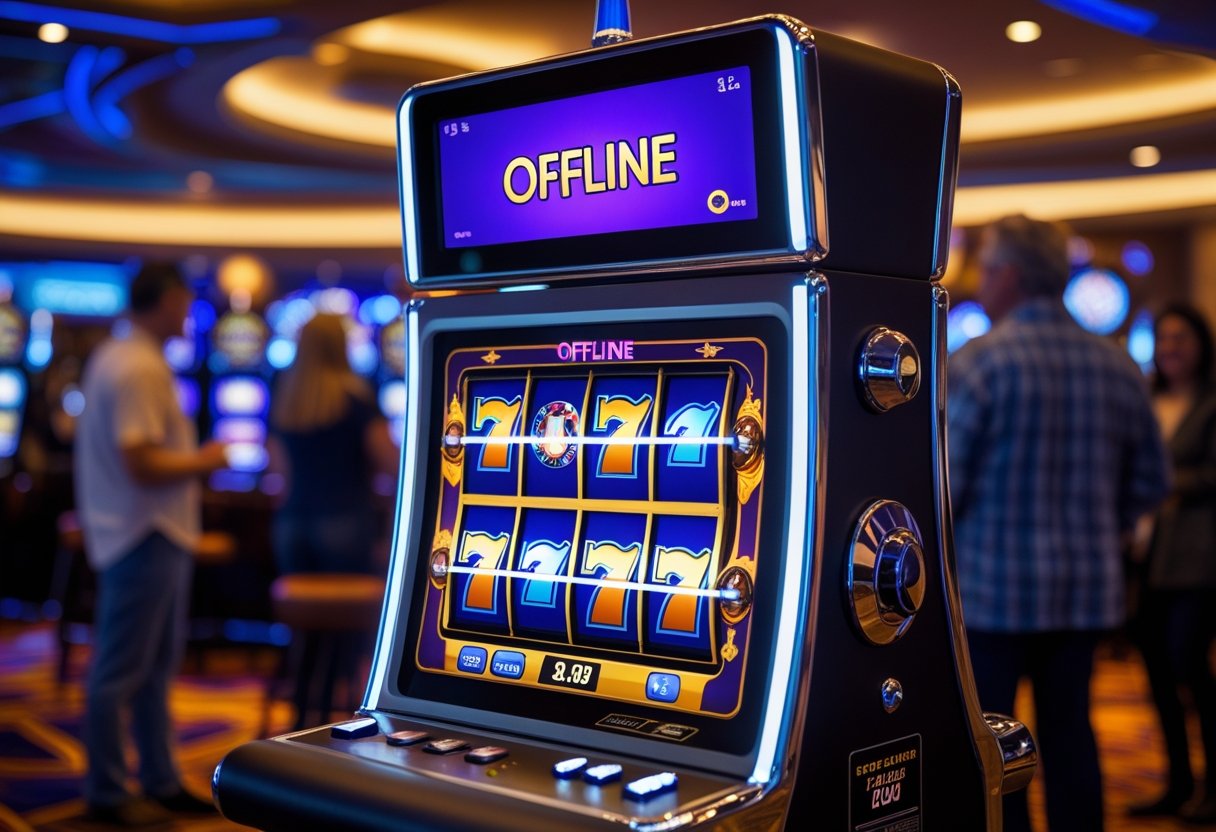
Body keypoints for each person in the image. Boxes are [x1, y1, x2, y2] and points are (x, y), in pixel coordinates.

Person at [947, 215, 1170, 832]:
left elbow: (947, 491)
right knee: (1071, 733)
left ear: (1011, 275)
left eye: (986, 268)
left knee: (995, 745)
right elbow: (1154, 481)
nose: (981, 281)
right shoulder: (1117, 364)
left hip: (993, 594)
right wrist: (1102, 526)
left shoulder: (980, 363)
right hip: (1085, 592)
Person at [75, 262, 228, 826]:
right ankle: (108, 790)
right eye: (185, 299)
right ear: (165, 299)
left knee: (152, 668)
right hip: (144, 531)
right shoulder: (138, 365)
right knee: (120, 671)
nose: (188, 311)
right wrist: (205, 460)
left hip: (140, 530)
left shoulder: (118, 354)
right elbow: (139, 459)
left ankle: (159, 779)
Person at [267, 312, 397, 728]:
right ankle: (330, 719)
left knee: (307, 632)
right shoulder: (357, 397)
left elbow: (278, 473)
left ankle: (303, 707)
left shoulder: (286, 397)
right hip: (343, 521)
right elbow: (390, 462)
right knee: (344, 633)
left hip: (292, 525)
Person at [1128, 303, 1216, 823]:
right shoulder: (1149, 399)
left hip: (1198, 559)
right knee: (1157, 673)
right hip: (1147, 558)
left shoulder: (1210, 403)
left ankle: (1212, 786)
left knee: (1190, 667)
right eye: (1163, 340)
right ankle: (1177, 781)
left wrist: (1164, 486)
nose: (1171, 349)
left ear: (1202, 343)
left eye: (1181, 338)